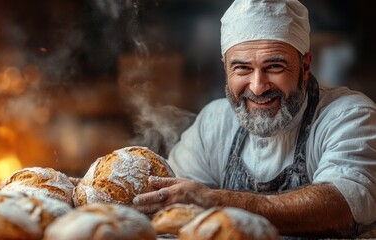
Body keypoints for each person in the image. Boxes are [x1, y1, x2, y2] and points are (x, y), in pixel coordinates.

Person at [132, 0, 376, 238]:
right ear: (225, 68)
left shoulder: (349, 116)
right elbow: (173, 207)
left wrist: (214, 199)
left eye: (275, 67)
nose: (258, 87)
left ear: (305, 65)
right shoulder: (214, 123)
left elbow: (343, 206)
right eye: (242, 68)